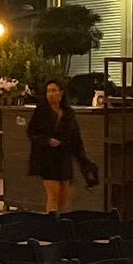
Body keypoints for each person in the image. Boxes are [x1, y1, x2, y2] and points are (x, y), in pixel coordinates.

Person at [27, 77, 95, 212]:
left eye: (54, 91)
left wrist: (83, 160)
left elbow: (76, 138)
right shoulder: (41, 111)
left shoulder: (68, 113)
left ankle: (61, 221)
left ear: (61, 92)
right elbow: (31, 133)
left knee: (64, 196)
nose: (51, 94)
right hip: (47, 158)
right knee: (53, 194)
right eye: (48, 91)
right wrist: (46, 140)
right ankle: (52, 224)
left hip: (64, 158)